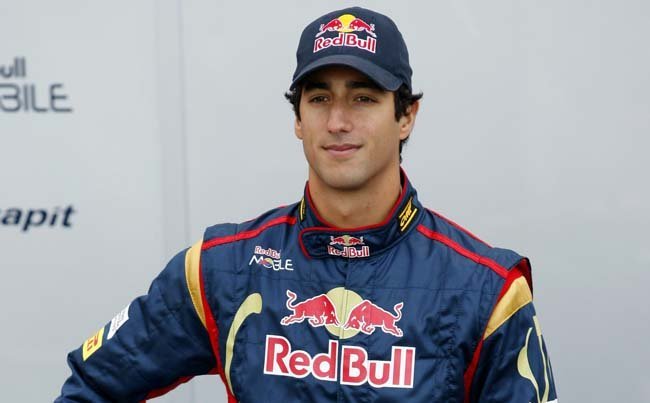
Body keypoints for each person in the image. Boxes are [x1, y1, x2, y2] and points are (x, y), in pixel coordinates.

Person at [56, 7, 557, 402]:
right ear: (297, 118)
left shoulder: (485, 289)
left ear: (406, 115)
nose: (337, 121)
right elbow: (93, 386)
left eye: (363, 98)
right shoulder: (222, 268)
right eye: (319, 99)